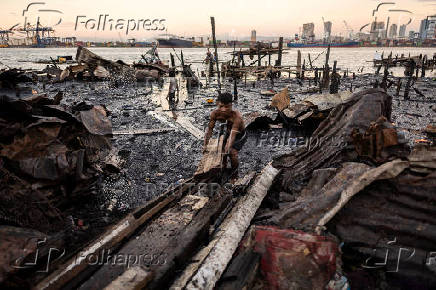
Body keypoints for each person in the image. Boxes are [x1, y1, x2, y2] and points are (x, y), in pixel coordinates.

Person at [203, 93, 246, 183]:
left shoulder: (236, 116)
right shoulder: (215, 113)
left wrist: (228, 146)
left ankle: (235, 175)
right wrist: (205, 145)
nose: (223, 110)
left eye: (227, 107)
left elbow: (233, 134)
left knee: (232, 153)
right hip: (229, 131)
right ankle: (223, 168)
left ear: (231, 105)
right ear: (217, 104)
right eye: (221, 106)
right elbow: (210, 130)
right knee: (222, 153)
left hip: (240, 134)